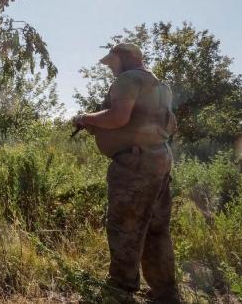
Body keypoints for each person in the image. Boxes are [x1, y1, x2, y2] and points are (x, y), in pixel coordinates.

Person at [72, 43, 179, 302]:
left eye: (113, 62)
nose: (111, 68)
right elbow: (170, 124)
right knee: (156, 228)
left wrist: (86, 118)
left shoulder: (127, 79)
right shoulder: (160, 86)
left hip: (135, 165)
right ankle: (165, 291)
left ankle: (120, 290)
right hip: (159, 159)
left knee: (125, 226)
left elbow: (119, 117)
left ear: (129, 58)